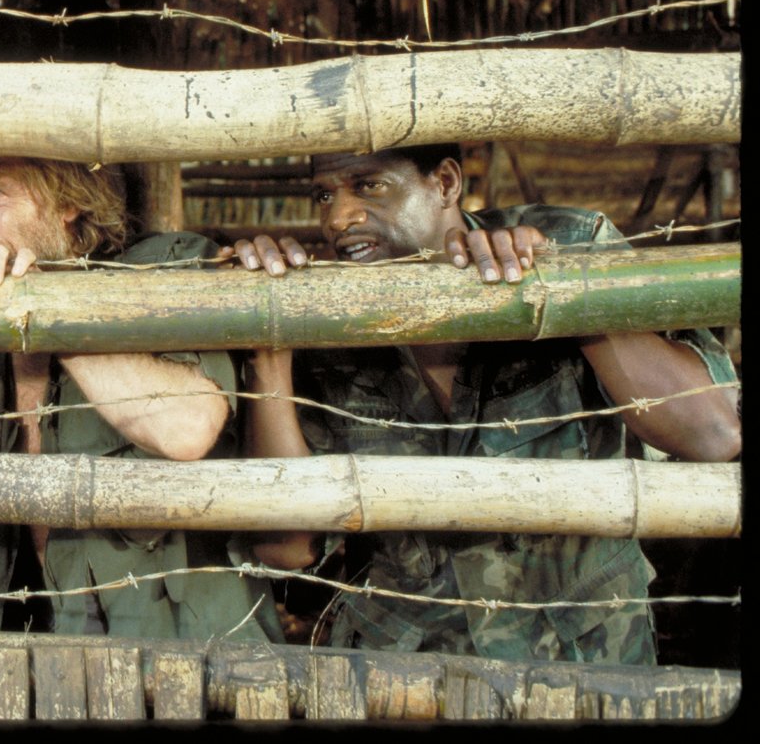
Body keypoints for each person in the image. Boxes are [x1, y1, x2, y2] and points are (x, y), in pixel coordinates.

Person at [233, 144, 741, 664]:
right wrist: (270, 346)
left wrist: (564, 290)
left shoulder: (567, 244)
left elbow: (712, 436)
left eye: (370, 186)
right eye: (323, 195)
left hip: (584, 657)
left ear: (446, 184)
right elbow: (286, 547)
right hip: (403, 666)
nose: (339, 218)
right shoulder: (324, 308)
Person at [0, 155, 283, 641]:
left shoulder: (170, 266)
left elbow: (186, 429)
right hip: (10, 654)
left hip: (189, 656)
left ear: (68, 200)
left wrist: (39, 310)